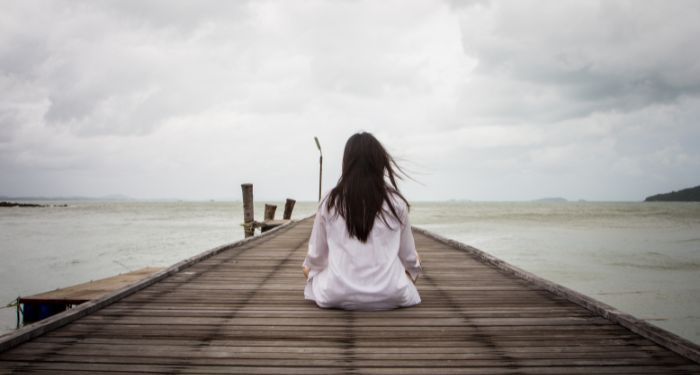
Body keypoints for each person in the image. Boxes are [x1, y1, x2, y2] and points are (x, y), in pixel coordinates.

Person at [302, 132, 422, 310]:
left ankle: (345, 283)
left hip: (336, 294)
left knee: (309, 268)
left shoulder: (330, 201)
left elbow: (316, 258)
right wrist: (412, 270)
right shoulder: (396, 202)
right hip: (391, 294)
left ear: (346, 164)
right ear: (380, 164)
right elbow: (409, 258)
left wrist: (310, 268)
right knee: (414, 261)